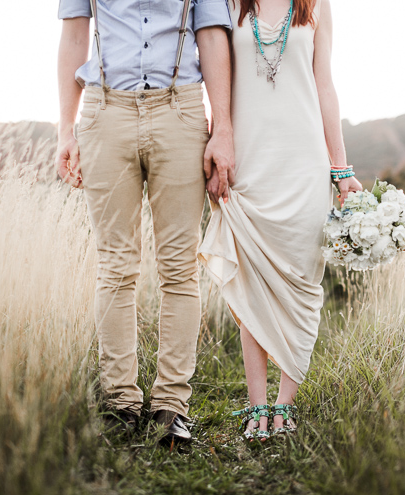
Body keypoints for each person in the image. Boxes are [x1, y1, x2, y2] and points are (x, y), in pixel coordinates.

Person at [55, 0, 235, 445]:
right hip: (104, 112)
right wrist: (65, 128)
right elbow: (75, 34)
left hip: (180, 110)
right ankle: (120, 403)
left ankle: (171, 407)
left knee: (179, 266)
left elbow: (212, 33)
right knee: (115, 265)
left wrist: (224, 129)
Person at [198, 0, 362, 441]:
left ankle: (284, 404)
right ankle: (257, 405)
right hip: (249, 163)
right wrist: (218, 143)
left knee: (303, 284)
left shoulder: (316, 5)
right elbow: (218, 81)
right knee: (252, 280)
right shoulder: (228, 3)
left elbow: (324, 85)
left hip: (303, 164)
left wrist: (341, 169)